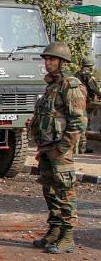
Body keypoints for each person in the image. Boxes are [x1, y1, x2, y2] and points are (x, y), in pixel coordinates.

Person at [29, 42, 86, 254]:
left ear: (63, 62)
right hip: (47, 147)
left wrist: (63, 147)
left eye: (52, 59)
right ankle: (54, 231)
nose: (47, 63)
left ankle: (68, 236)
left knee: (65, 191)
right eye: (46, 59)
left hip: (60, 150)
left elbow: (78, 121)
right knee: (50, 191)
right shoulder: (52, 86)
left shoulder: (70, 85)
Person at [75, 56, 99, 154]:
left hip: (76, 101)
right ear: (90, 66)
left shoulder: (76, 74)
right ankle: (82, 148)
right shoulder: (89, 76)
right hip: (86, 102)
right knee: (85, 124)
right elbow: (94, 89)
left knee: (77, 123)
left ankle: (77, 147)